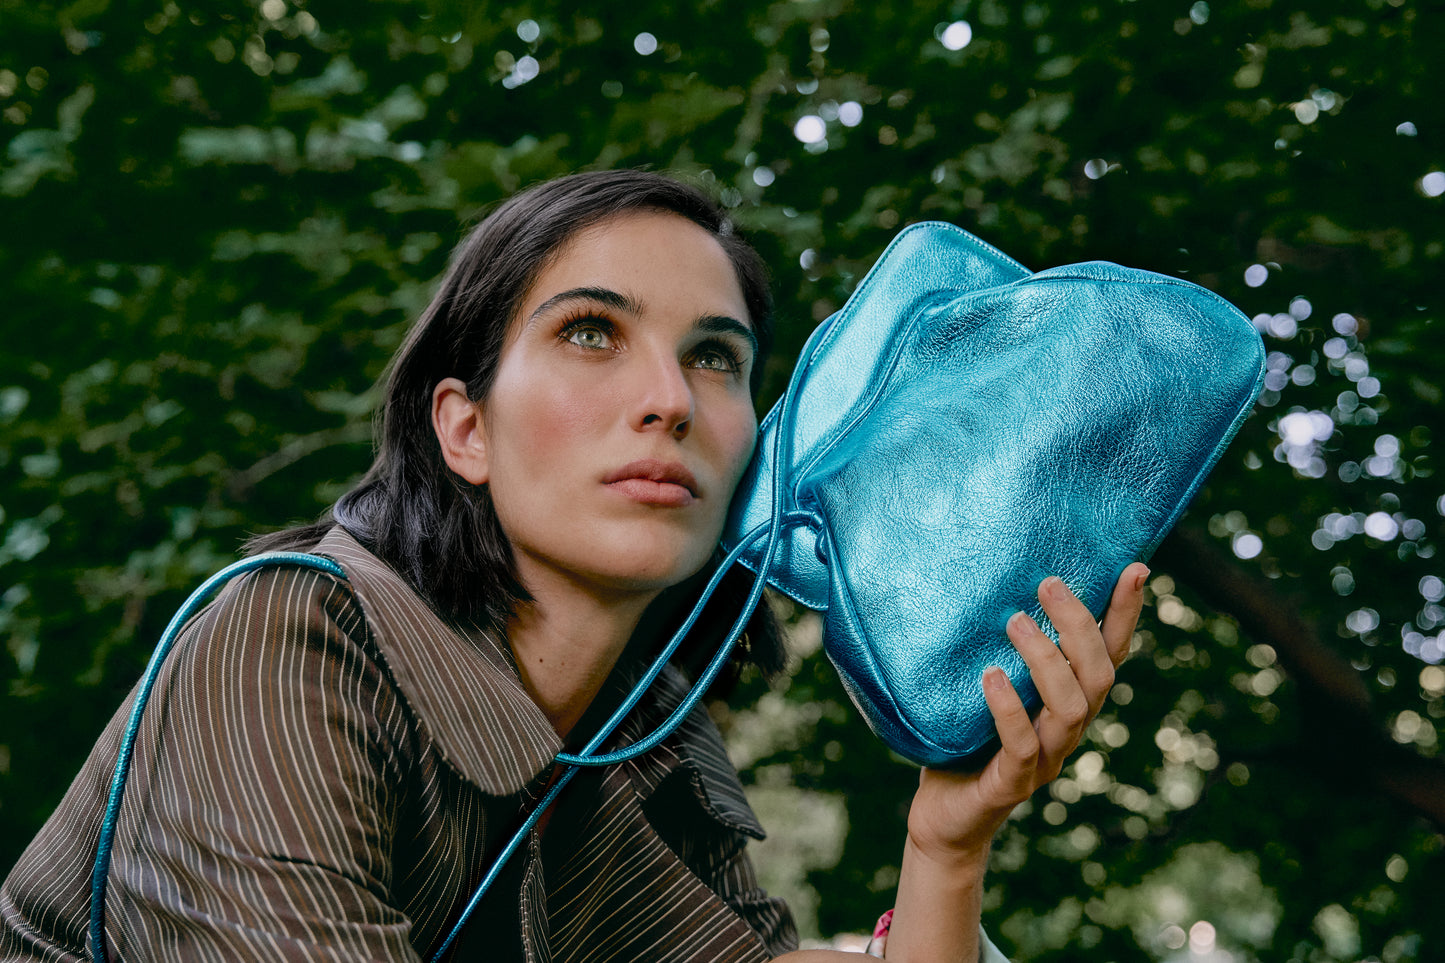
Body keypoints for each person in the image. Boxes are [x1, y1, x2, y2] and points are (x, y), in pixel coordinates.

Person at [0, 169, 1146, 962]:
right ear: (463, 429)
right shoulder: (288, 650)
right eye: (590, 332)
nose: (666, 401)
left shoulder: (636, 733)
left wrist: (945, 841)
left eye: (715, 358)